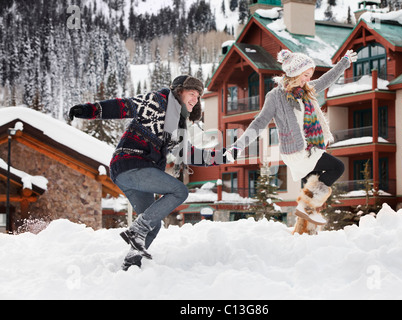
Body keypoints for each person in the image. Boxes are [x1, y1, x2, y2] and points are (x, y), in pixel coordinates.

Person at [70, 75, 230, 271]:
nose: (195, 99)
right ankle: (137, 229)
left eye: (198, 96)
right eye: (191, 93)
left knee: (152, 224)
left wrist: (223, 157)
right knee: (179, 191)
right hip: (130, 163)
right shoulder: (156, 101)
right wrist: (87, 110)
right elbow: (122, 106)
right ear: (179, 91)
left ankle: (131, 265)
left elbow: (187, 154)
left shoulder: (178, 125)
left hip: (138, 173)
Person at [226, 49, 358, 226]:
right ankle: (307, 210)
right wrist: (238, 146)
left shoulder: (306, 91)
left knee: (310, 193)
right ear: (295, 73)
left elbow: (326, 79)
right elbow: (259, 123)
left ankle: (304, 228)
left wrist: (344, 62)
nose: (308, 79)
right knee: (337, 167)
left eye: (310, 75)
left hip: (311, 148)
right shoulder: (275, 96)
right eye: (305, 75)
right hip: (297, 152)